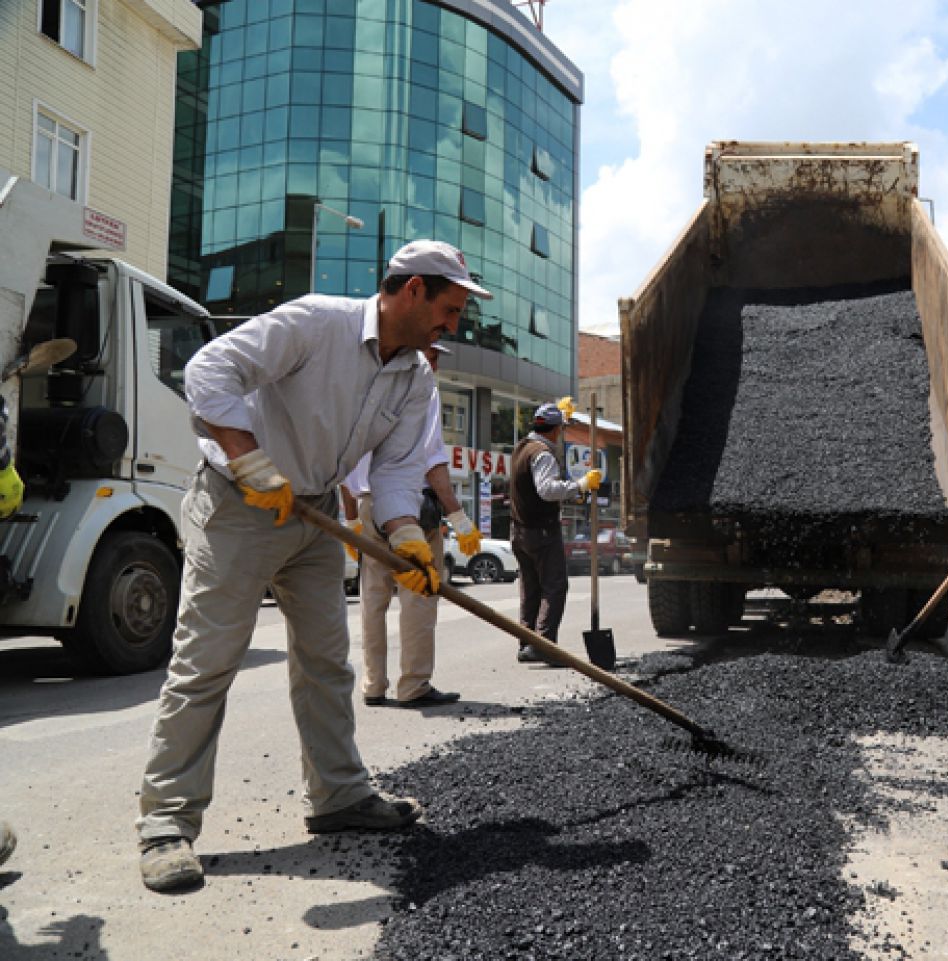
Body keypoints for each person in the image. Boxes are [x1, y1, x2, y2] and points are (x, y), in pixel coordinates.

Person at [135, 240, 491, 893]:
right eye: (449, 308)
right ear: (412, 291)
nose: (453, 325)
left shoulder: (414, 377)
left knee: (328, 659)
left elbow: (396, 471)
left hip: (317, 512)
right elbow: (209, 369)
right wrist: (247, 457)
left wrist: (407, 537)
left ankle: (339, 797)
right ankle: (166, 824)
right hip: (239, 505)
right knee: (207, 660)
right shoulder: (315, 322)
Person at [342, 343, 482, 708]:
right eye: (430, 356)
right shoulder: (422, 388)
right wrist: (458, 516)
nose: (432, 365)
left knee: (373, 600)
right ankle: (414, 685)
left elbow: (343, 463)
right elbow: (432, 460)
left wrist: (353, 518)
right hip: (410, 507)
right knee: (419, 596)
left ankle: (373, 685)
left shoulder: (362, 386)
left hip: (370, 504)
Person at [510, 400, 601, 662]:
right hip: (541, 533)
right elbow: (547, 490)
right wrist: (581, 485)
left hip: (519, 532)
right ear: (553, 430)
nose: (562, 433)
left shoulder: (522, 447)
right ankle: (544, 646)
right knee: (554, 587)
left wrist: (561, 414)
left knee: (530, 589)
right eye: (561, 428)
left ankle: (527, 644)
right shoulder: (543, 454)